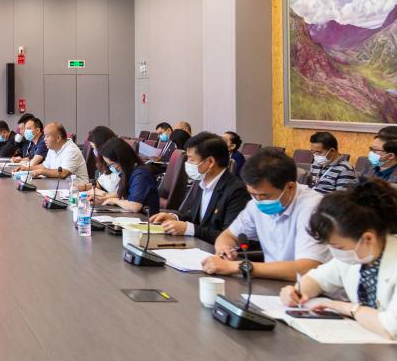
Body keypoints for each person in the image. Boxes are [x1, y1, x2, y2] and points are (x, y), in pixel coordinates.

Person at [278, 179, 397, 340]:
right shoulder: (358, 256)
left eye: (338, 247)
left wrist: (346, 308)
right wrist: (297, 292)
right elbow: (317, 279)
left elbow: (391, 328)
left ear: (368, 238)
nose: (334, 253)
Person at [202, 148, 329, 280]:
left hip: (310, 288)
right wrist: (224, 248)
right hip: (272, 283)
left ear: (290, 187)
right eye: (252, 194)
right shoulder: (255, 204)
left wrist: (239, 266)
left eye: (264, 195)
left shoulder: (314, 208)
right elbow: (228, 235)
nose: (258, 201)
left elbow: (308, 268)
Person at [150, 132, 250, 242]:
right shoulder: (202, 182)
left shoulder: (236, 191)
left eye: (191, 159)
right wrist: (174, 217)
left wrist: (189, 229)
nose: (187, 163)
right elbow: (194, 216)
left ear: (210, 162)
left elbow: (230, 237)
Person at [95, 137, 160, 214]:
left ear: (122, 159)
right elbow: (123, 194)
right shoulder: (128, 171)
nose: (111, 168)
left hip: (146, 218)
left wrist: (114, 200)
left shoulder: (141, 175)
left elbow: (135, 206)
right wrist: (102, 199)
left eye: (112, 164)